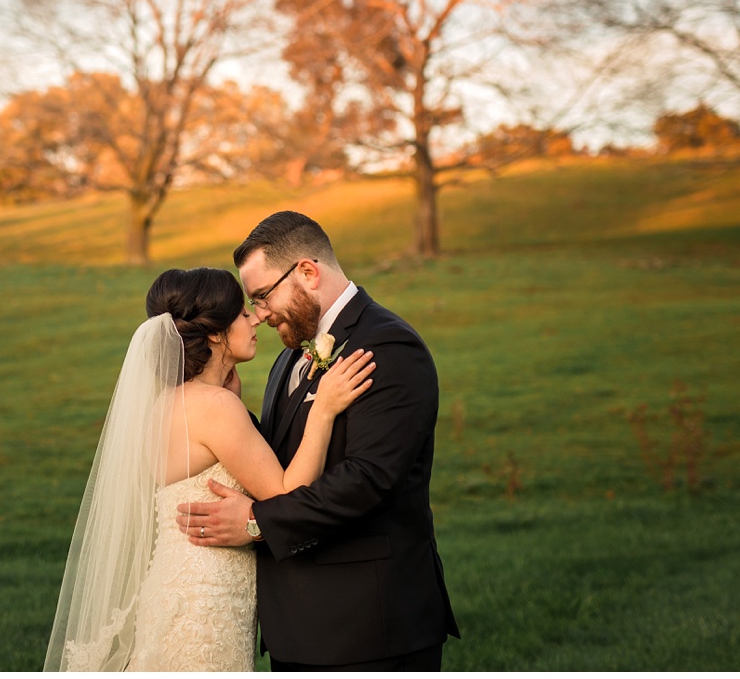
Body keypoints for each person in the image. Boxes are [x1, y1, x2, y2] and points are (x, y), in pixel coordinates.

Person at [45, 267, 375, 671]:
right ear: (216, 334)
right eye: (241, 313)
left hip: (171, 587)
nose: (256, 318)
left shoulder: (164, 406)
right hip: (208, 600)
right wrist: (323, 409)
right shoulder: (216, 409)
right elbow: (290, 495)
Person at [175, 210, 461, 670]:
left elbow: (368, 480)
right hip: (297, 629)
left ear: (307, 272)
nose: (260, 315)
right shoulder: (287, 359)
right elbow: (278, 464)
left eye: (263, 296)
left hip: (368, 628)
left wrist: (256, 522)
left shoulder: (387, 347)